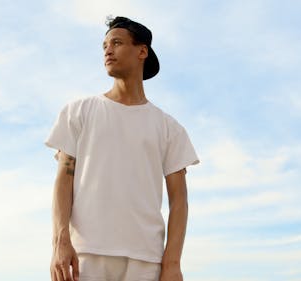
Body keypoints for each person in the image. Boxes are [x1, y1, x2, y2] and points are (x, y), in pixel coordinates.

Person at [45, 16, 199, 281]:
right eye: (104, 44)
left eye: (116, 42)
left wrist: (172, 263)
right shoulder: (78, 111)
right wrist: (60, 243)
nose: (107, 50)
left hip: (146, 259)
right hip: (85, 256)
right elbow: (63, 180)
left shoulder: (169, 128)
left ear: (142, 51)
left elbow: (179, 201)